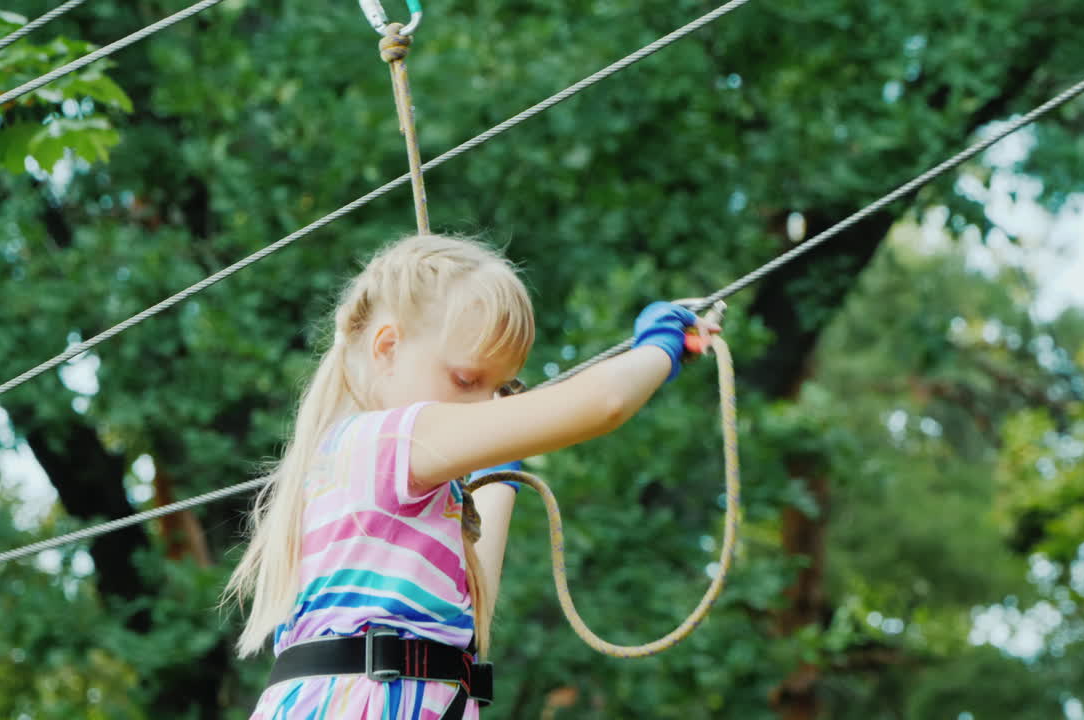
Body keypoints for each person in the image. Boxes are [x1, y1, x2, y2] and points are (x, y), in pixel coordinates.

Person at [221, 234, 718, 719]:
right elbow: (604, 404)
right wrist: (658, 349)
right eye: (466, 380)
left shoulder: (422, 489)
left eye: (498, 389)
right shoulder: (386, 441)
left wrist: (500, 467)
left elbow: (475, 610)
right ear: (388, 349)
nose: (484, 406)